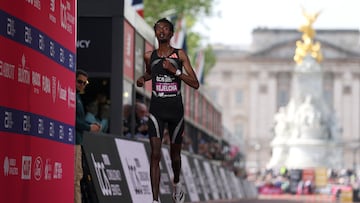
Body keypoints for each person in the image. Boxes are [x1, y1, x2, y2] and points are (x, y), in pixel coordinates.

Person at [136, 18, 199, 203]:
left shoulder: (179, 55)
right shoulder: (149, 55)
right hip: (156, 109)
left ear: (171, 34)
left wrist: (175, 72)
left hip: (175, 112)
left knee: (175, 155)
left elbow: (195, 83)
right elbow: (151, 72)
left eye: (166, 29)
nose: (162, 31)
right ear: (155, 33)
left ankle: (177, 183)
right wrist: (142, 78)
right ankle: (155, 200)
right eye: (158, 28)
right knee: (155, 154)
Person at [75, 69, 101, 203]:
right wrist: (89, 127)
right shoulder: (73, 96)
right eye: (80, 82)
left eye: (85, 83)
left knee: (77, 176)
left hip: (77, 140)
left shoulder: (78, 97)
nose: (83, 85)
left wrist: (90, 125)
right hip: (74, 141)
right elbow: (72, 120)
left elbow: (78, 120)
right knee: (76, 177)